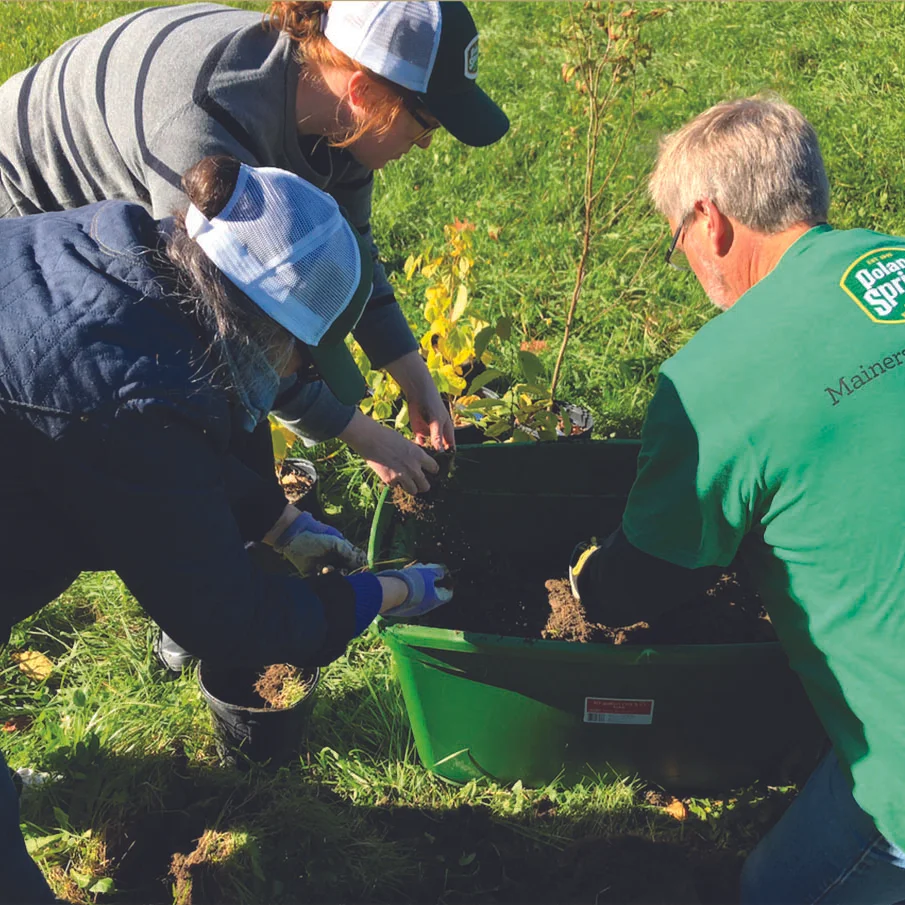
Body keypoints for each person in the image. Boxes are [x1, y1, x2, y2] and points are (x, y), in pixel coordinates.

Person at [0, 156, 452, 903]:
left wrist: (275, 521)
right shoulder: (130, 390)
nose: (298, 372)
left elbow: (166, 457)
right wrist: (384, 594)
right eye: (302, 354)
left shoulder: (127, 256)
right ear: (261, 325)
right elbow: (229, 619)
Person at [569, 97, 905, 904]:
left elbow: (645, 577)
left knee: (776, 887)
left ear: (709, 222)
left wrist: (589, 581)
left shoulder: (714, 378)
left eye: (675, 238)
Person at [0, 0, 509, 497]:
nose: (424, 145)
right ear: (361, 91)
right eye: (425, 125)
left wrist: (414, 376)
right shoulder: (205, 127)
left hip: (122, 177)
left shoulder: (335, 113)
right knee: (161, 382)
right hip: (26, 201)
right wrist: (364, 435)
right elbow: (234, 334)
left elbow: (349, 248)